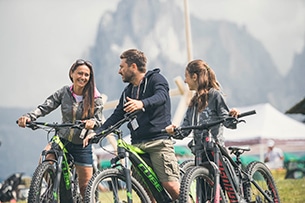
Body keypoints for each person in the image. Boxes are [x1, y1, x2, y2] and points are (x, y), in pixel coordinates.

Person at [83, 48, 180, 202]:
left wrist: (142, 103)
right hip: (137, 146)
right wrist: (99, 132)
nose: (119, 71)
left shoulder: (156, 79)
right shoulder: (128, 91)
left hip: (158, 142)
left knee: (171, 185)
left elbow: (161, 96)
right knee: (146, 193)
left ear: (133, 66)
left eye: (122, 67)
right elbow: (117, 115)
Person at [17, 59, 103, 199]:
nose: (83, 77)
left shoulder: (95, 97)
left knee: (85, 188)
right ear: (72, 73)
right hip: (62, 139)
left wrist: (92, 122)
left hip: (82, 144)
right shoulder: (64, 92)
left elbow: (99, 120)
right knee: (45, 159)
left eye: (87, 75)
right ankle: (56, 190)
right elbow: (46, 106)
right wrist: (29, 117)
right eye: (80, 73)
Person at [165, 59, 238, 149]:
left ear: (194, 77)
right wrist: (173, 131)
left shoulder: (215, 95)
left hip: (216, 149)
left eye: (186, 76)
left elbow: (228, 123)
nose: (185, 81)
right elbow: (185, 130)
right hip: (199, 151)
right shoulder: (193, 102)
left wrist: (233, 115)